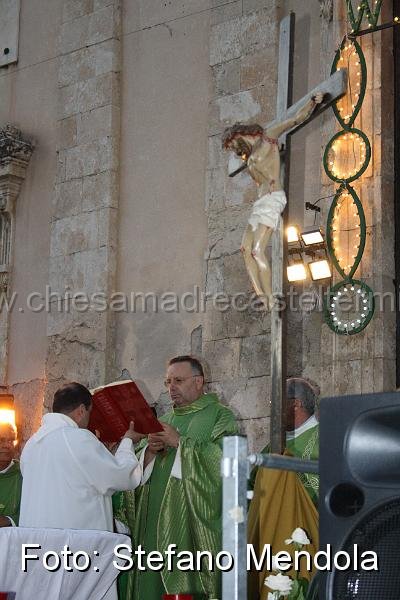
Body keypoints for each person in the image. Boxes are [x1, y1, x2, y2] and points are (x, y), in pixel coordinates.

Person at [128, 355, 238, 600]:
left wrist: (179, 442)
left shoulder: (221, 416)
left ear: (199, 381)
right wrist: (148, 452)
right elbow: (133, 473)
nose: (171, 388)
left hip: (190, 525)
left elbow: (227, 464)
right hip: (153, 525)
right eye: (168, 382)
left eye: (178, 380)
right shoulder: (161, 421)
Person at [222, 93, 324, 310]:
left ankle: (271, 299)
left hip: (273, 198)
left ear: (237, 136)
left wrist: (313, 101)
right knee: (244, 248)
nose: (234, 151)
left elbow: (295, 119)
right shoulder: (248, 156)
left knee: (257, 250)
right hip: (259, 203)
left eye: (231, 145)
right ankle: (261, 295)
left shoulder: (269, 136)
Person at [19, 382, 154, 531]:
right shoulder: (78, 438)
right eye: (90, 413)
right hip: (74, 544)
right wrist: (127, 441)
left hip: (38, 542)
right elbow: (122, 476)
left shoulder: (31, 444)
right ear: (82, 411)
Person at [0, 423, 21, 527]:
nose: (7, 445)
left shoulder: (24, 474)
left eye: (11, 440)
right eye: (1, 440)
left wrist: (9, 520)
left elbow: (36, 510)